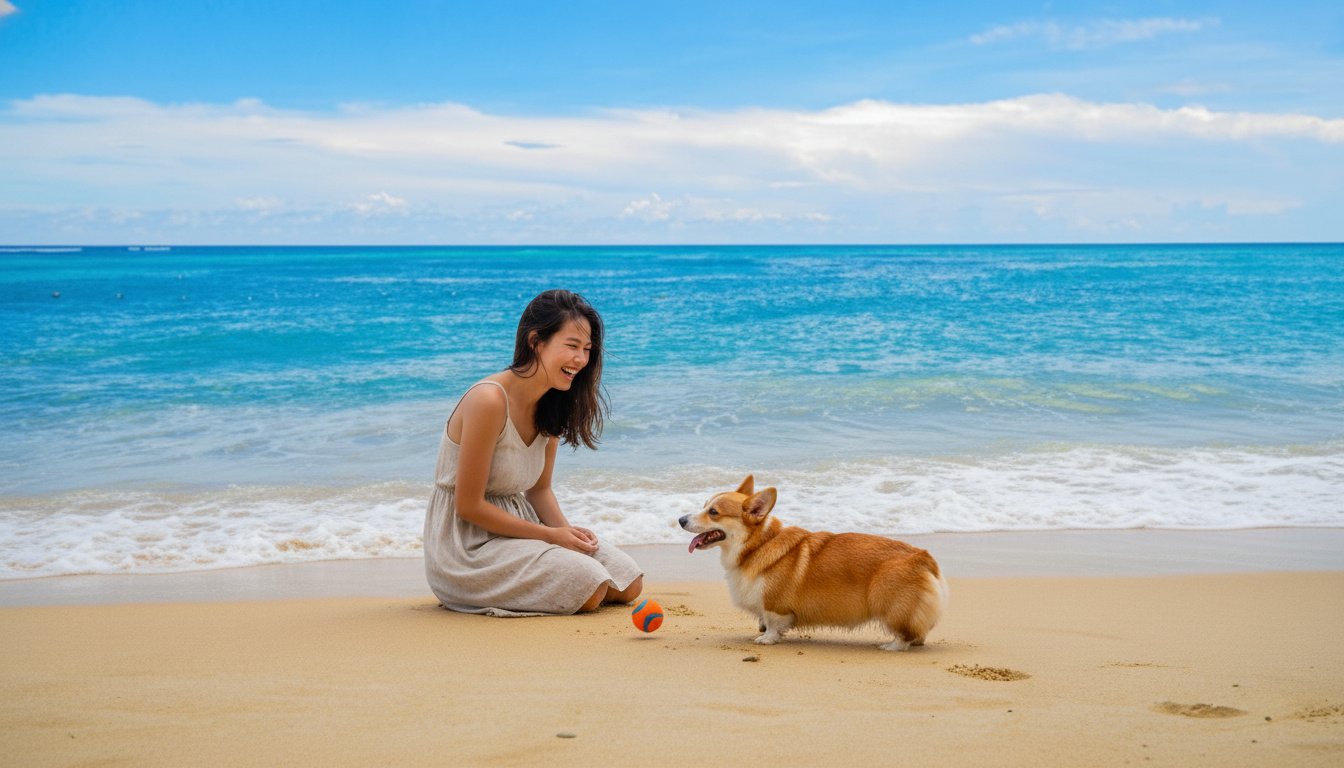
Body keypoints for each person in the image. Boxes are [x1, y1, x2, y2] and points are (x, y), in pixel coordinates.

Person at [424, 289, 643, 616]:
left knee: (627, 582)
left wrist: (569, 537)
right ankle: (473, 593)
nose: (580, 360)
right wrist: (550, 537)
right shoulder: (489, 400)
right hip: (465, 548)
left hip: (519, 530)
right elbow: (468, 506)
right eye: (571, 346)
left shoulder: (553, 402)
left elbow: (539, 491)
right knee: (592, 588)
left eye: (586, 350)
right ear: (535, 341)